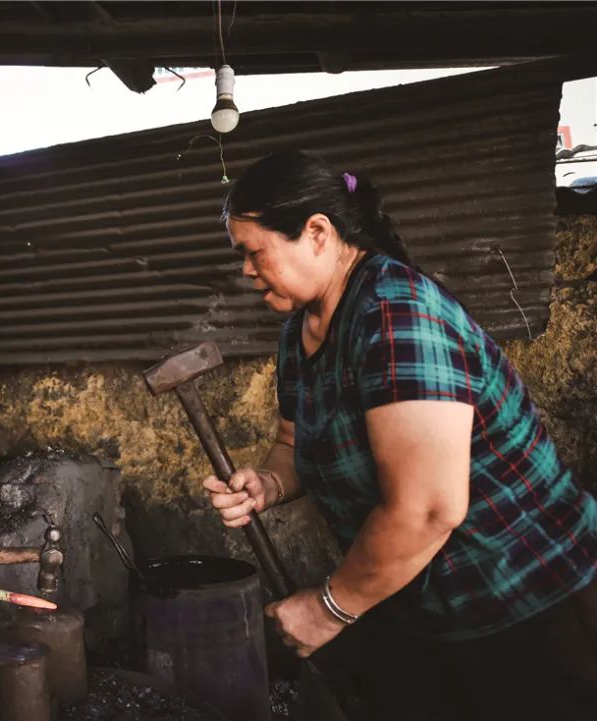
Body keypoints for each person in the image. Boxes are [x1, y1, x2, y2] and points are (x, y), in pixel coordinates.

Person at [203, 150, 597, 720]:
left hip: (531, 602)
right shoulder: (300, 333)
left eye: (252, 252)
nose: (244, 270)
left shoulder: (396, 313)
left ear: (317, 233)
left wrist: (328, 609)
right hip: (426, 610)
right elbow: (293, 443)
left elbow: (429, 509)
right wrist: (267, 481)